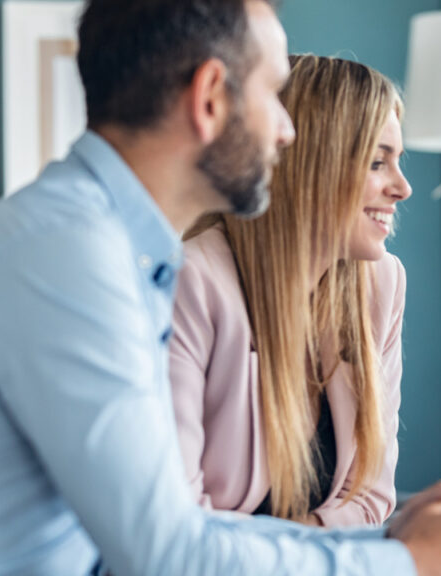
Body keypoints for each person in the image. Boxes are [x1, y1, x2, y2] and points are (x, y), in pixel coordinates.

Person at [0, 1, 441, 575]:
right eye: (273, 94)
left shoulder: (116, 251)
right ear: (210, 96)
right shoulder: (69, 256)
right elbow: (166, 555)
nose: (288, 131)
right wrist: (408, 562)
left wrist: (390, 544)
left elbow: (175, 532)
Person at [170, 55, 410, 528]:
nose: (402, 188)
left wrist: (307, 541)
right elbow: (177, 526)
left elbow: (371, 497)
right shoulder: (190, 283)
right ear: (309, 162)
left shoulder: (381, 284)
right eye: (378, 162)